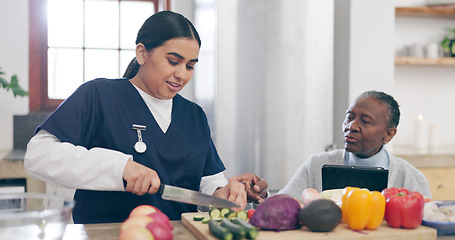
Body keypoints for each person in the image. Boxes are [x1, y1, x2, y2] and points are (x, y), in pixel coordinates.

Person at [24, 11, 267, 224]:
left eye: (191, 66)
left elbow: (207, 182)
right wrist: (119, 167)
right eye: (173, 61)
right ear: (142, 53)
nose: (182, 74)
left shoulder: (193, 115)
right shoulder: (99, 96)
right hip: (109, 233)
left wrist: (220, 194)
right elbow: (38, 156)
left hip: (178, 233)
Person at [279, 90, 431, 199]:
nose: (351, 126)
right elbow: (280, 204)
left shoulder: (410, 178)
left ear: (389, 134)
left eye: (365, 121)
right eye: (349, 117)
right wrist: (262, 195)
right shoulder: (316, 164)